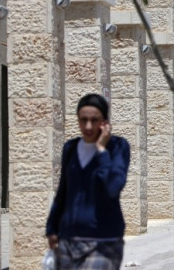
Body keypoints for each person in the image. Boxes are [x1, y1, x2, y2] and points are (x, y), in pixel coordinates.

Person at [46, 93, 131, 269]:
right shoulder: (70, 148)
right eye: (83, 120)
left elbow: (114, 186)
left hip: (103, 241)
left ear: (105, 121)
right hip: (68, 239)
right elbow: (64, 190)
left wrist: (101, 150)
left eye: (95, 120)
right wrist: (52, 227)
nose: (88, 126)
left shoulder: (118, 147)